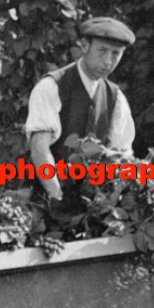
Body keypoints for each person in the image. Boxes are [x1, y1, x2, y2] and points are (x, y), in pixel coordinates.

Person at [24, 17, 137, 202]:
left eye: (116, 54)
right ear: (84, 46)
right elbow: (40, 149)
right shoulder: (52, 86)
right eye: (102, 51)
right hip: (43, 200)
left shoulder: (116, 98)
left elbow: (121, 156)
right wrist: (57, 198)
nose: (108, 61)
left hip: (90, 207)